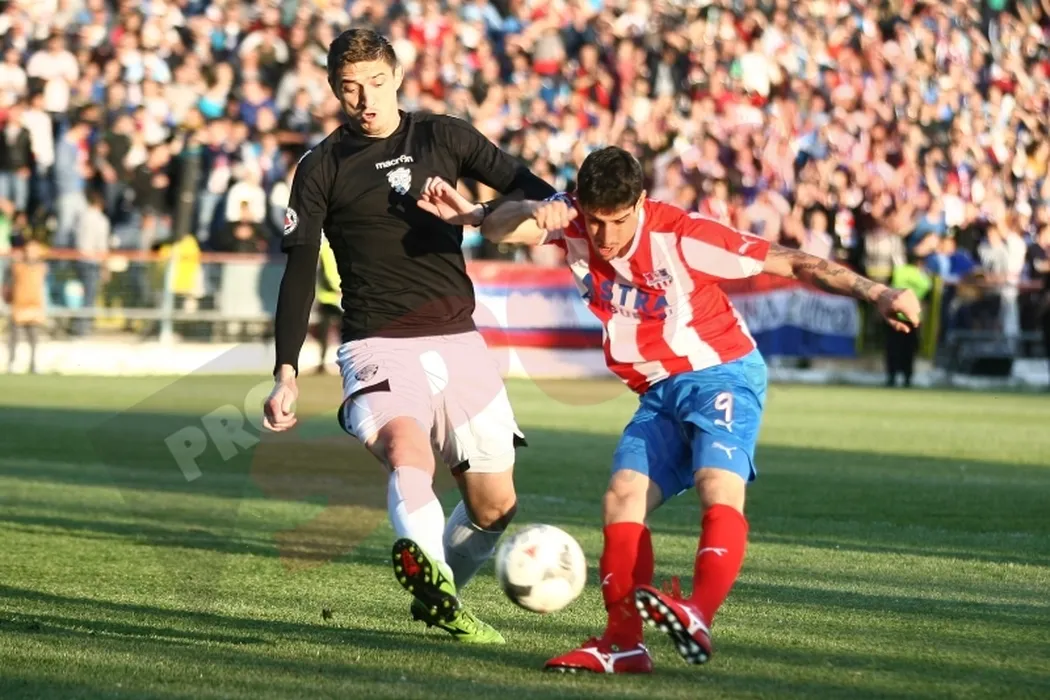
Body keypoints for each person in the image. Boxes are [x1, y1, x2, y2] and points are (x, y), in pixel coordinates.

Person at [417, 146, 921, 672]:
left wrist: (878, 293)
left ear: (640, 202)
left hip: (721, 372)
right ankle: (623, 645)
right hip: (657, 391)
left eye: (618, 221)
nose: (605, 236)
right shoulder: (571, 221)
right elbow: (499, 229)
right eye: (595, 220)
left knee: (716, 482)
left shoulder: (684, 235)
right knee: (621, 497)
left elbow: (795, 261)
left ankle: (698, 614)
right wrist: (526, 210)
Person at [261, 28, 556, 644]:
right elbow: (299, 270)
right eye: (350, 88)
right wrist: (286, 371)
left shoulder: (444, 136)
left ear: (397, 76)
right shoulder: (320, 167)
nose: (365, 99)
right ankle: (432, 574)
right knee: (407, 450)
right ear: (334, 90)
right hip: (376, 343)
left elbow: (531, 190)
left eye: (376, 82)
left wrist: (506, 214)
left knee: (494, 506)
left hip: (459, 339)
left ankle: (441, 596)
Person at [885, 251, 933, 387]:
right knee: (909, 349)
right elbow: (927, 297)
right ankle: (907, 378)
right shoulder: (922, 276)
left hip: (894, 315)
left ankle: (891, 377)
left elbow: (887, 289)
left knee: (892, 348)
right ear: (919, 263)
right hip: (913, 317)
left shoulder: (898, 272)